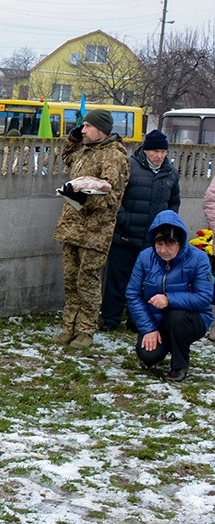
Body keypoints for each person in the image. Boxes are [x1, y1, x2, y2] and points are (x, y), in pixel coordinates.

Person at [52, 109, 130, 349]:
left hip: (95, 232)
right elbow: (66, 155)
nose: (83, 130)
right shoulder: (85, 150)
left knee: (87, 282)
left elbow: (112, 197)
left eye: (87, 126)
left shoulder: (114, 156)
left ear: (101, 129)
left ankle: (85, 331)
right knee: (70, 281)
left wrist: (84, 198)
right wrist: (76, 135)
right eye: (82, 126)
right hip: (72, 228)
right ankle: (69, 327)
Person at [102, 129, 180, 332]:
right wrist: (123, 218)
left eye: (163, 151)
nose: (160, 156)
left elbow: (174, 202)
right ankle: (110, 319)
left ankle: (136, 321)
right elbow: (115, 196)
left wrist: (167, 226)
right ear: (145, 150)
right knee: (117, 281)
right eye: (155, 151)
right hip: (125, 235)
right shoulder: (130, 166)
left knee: (147, 284)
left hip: (153, 239)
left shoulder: (171, 172)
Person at [126, 210, 213, 382]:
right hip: (156, 319)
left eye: (170, 244)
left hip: (191, 318)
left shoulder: (198, 258)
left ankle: (179, 365)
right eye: (159, 244)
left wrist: (169, 299)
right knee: (148, 356)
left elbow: (204, 297)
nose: (163, 250)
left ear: (180, 242)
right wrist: (148, 328)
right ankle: (162, 345)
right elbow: (133, 294)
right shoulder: (145, 257)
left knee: (177, 317)